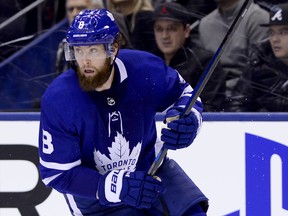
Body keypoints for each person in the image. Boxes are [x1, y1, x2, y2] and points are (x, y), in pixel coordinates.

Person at [38, 8, 208, 216]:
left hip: (151, 170)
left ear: (113, 48)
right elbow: (57, 174)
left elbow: (185, 93)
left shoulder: (144, 70)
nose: (85, 61)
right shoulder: (59, 99)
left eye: (93, 50)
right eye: (78, 51)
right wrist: (112, 186)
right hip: (96, 196)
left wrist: (189, 119)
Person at [152, 2, 226, 112]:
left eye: (172, 29)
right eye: (159, 29)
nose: (165, 36)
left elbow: (209, 108)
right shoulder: (150, 63)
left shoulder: (205, 62)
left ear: (186, 30)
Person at [196, 0, 269, 107]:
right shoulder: (205, 23)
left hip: (244, 100)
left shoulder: (258, 18)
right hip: (210, 96)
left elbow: (258, 74)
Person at [228, 3, 288, 112]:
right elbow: (237, 105)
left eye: (283, 33)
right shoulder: (259, 60)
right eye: (271, 32)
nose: (275, 39)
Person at [56, 0, 130, 75]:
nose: (74, 13)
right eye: (71, 9)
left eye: (81, 8)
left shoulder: (113, 27)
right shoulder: (63, 46)